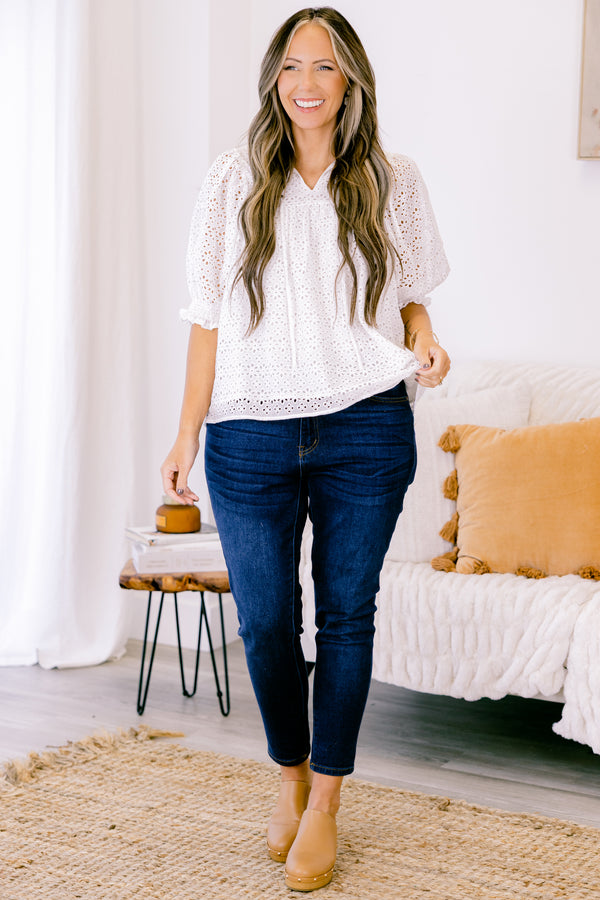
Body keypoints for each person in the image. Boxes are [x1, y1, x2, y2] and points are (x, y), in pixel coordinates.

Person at [161, 6, 450, 892]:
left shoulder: (393, 178)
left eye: (325, 68)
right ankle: (288, 774)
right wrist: (184, 431)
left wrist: (427, 338)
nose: (307, 84)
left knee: (346, 615)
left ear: (350, 79)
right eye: (292, 67)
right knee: (263, 621)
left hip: (365, 421)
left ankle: (324, 802)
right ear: (273, 79)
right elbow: (208, 317)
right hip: (247, 430)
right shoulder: (233, 178)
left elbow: (406, 296)